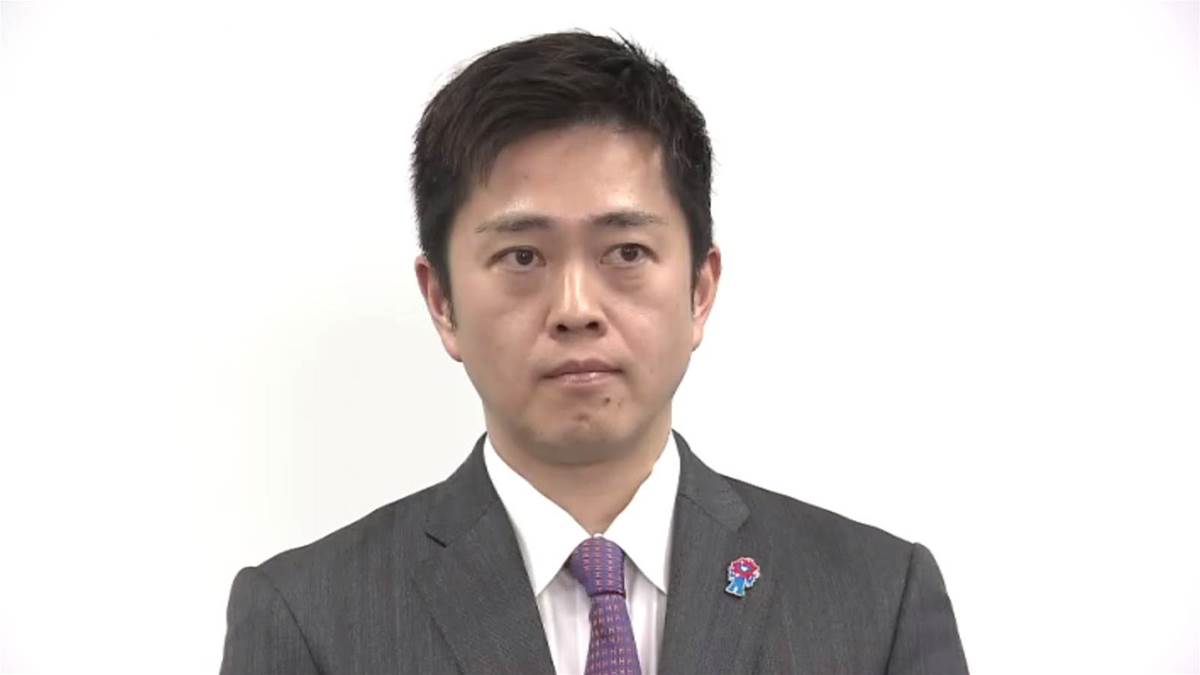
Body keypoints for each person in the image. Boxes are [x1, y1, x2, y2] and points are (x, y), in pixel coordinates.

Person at [219, 30, 969, 675]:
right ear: (442, 301)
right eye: (521, 257)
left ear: (700, 289)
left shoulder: (876, 600)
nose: (575, 308)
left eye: (627, 251)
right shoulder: (308, 619)